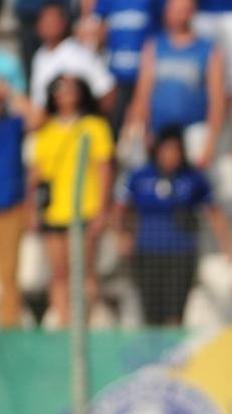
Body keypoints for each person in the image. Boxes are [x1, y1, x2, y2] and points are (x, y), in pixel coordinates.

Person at [116, 128, 232, 325]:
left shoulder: (193, 178)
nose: (171, 155)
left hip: (181, 253)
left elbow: (214, 212)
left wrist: (227, 246)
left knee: (175, 313)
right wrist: (123, 235)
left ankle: (173, 354)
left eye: (175, 150)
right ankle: (152, 353)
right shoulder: (140, 177)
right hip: (147, 252)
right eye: (166, 150)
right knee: (151, 314)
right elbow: (121, 209)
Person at [27, 75, 113, 327]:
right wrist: (33, 209)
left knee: (85, 270)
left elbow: (104, 168)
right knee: (59, 272)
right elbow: (37, 174)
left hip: (84, 208)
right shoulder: (46, 130)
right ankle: (65, 325)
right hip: (55, 211)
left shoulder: (94, 126)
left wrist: (102, 208)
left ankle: (84, 325)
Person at [126, 0, 225, 169]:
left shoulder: (208, 50)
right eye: (174, 9)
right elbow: (142, 93)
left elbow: (217, 101)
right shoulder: (154, 46)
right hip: (159, 130)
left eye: (184, 10)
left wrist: (211, 143)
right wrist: (138, 128)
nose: (179, 15)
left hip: (194, 131)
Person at [79, 0, 161, 134]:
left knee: (141, 132)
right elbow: (96, 27)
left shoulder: (151, 3)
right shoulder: (107, 3)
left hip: (146, 79)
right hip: (114, 80)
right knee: (113, 130)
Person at [29, 2, 116, 115]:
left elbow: (107, 91)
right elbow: (38, 103)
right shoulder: (39, 57)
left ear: (63, 23)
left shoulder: (80, 53)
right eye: (45, 21)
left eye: (53, 21)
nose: (49, 25)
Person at [0, 77, 34, 328]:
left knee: (9, 271)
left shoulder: (12, 125)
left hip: (10, 206)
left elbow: (37, 118)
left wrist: (10, 92)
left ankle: (9, 324)